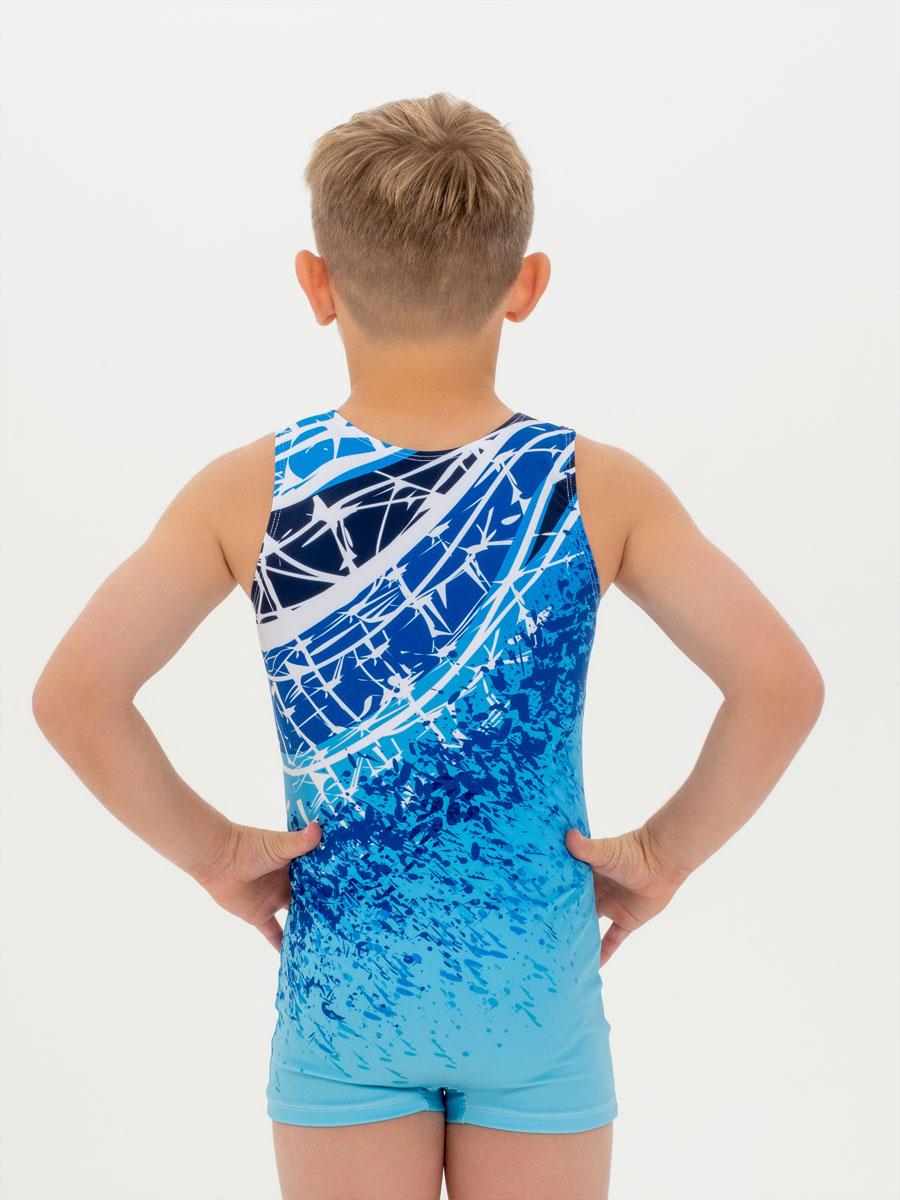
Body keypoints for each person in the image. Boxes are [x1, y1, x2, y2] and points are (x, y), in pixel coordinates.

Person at [31, 92, 824, 1200]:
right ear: (527, 284)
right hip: (534, 992)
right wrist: (663, 856)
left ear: (316, 284)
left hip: (348, 995)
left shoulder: (249, 491)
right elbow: (780, 684)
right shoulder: (596, 486)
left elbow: (76, 694)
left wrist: (217, 856)